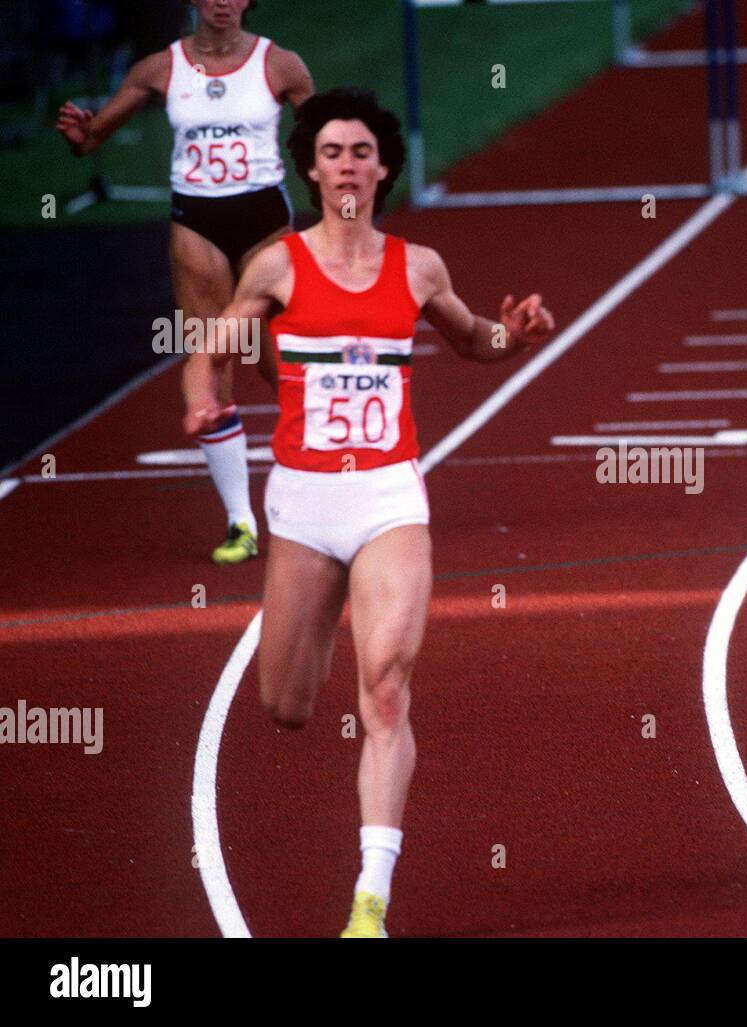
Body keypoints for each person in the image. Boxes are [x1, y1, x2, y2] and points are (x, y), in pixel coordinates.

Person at [182, 86, 555, 937]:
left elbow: (470, 339)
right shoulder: (277, 265)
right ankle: (303, 664)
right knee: (286, 703)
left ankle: (369, 900)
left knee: (385, 686)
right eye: (332, 152)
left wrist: (515, 335)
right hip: (306, 502)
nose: (347, 165)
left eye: (361, 152)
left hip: (388, 493)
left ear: (382, 167)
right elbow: (216, 350)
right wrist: (204, 400)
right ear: (310, 169)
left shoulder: (416, 266)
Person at [57, 0, 313, 564]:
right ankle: (240, 523)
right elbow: (90, 139)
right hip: (195, 222)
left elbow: (323, 137)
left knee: (279, 358)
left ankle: (320, 486)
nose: (223, 4)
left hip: (263, 221)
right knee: (209, 361)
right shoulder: (159, 69)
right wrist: (79, 135)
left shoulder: (281, 65)